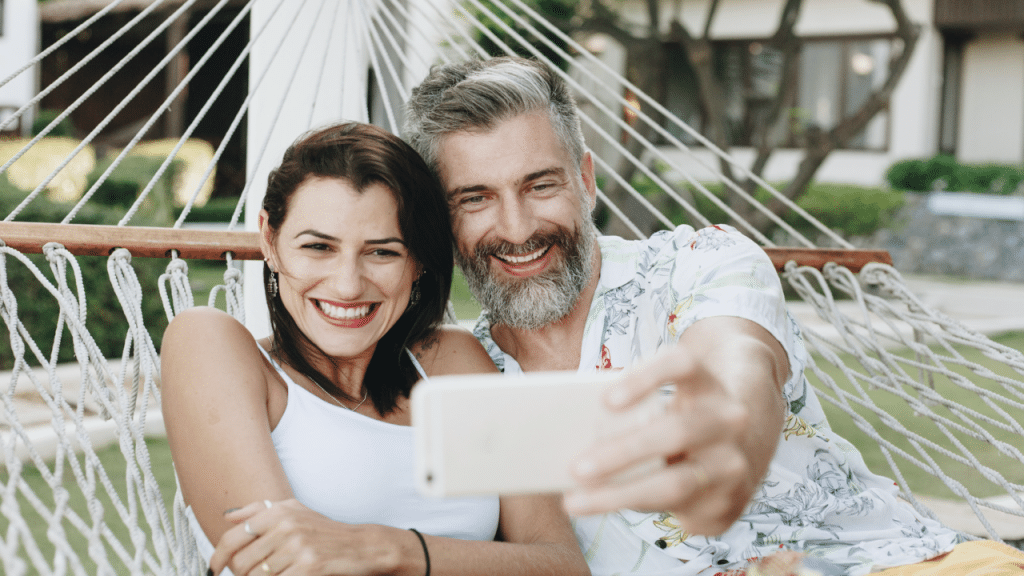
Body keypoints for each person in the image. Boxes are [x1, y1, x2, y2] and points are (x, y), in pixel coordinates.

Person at [401, 57, 1015, 575]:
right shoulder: (463, 378)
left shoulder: (696, 264)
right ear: (441, 221)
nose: (517, 228)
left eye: (540, 186)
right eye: (474, 198)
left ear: (586, 182)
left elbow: (737, 360)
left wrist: (735, 442)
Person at [160, 122, 590, 576]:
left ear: (418, 261)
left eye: (382, 253)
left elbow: (561, 564)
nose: (348, 285)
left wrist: (392, 550)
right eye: (318, 246)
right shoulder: (214, 347)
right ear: (269, 238)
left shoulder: (453, 363)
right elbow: (278, 568)